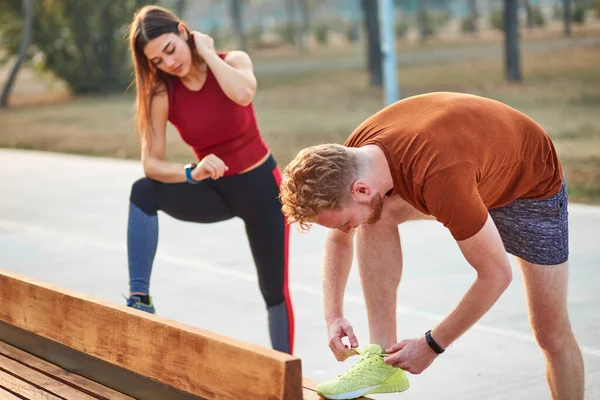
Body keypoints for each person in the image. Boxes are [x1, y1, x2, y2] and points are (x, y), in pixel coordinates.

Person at [279, 92, 583, 399]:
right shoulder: (355, 160)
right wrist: (333, 316)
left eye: (344, 221)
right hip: (468, 169)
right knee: (374, 215)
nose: (347, 230)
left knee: (550, 332)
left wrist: (431, 345)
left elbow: (495, 276)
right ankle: (382, 361)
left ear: (360, 188)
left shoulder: (440, 177)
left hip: (527, 186)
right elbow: (340, 238)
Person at [124, 5, 294, 355]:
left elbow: (244, 94)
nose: (168, 64)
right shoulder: (161, 95)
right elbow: (151, 164)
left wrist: (207, 53)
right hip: (214, 190)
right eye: (156, 61)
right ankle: (140, 299)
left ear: (184, 32)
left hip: (263, 189)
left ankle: (285, 376)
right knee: (143, 192)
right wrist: (191, 172)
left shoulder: (233, 60)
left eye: (170, 49)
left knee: (274, 291)